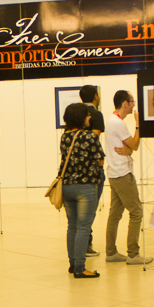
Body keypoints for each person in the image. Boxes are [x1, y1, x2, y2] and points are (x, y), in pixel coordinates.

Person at [104, 90, 153, 265]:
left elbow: (129, 148)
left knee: (115, 214)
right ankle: (133, 254)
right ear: (125, 103)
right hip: (122, 174)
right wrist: (138, 125)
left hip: (114, 173)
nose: (133, 106)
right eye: (132, 102)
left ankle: (111, 252)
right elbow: (135, 144)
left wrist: (129, 149)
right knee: (136, 211)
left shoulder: (112, 121)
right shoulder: (118, 123)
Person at [59, 102, 105, 278]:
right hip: (85, 187)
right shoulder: (90, 137)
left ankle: (73, 264)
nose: (89, 117)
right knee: (84, 227)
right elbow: (100, 160)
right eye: (87, 115)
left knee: (72, 226)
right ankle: (80, 267)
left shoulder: (65, 137)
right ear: (81, 117)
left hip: (67, 186)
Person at [79, 84, 106, 258]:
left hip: (78, 168)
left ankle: (81, 245)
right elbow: (94, 138)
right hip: (94, 167)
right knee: (90, 209)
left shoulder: (76, 113)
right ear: (96, 96)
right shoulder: (96, 114)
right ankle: (86, 245)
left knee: (79, 212)